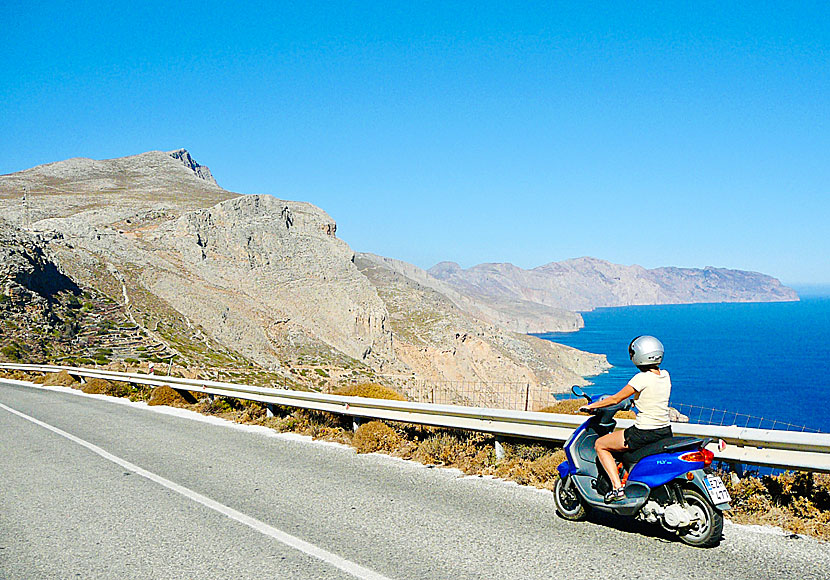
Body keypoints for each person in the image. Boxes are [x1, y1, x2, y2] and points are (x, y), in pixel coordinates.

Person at [578, 335, 672, 503]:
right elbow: (651, 396)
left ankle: (617, 488)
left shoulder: (641, 378)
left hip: (644, 432)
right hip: (664, 431)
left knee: (601, 444)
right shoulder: (665, 375)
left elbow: (615, 399)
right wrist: (635, 402)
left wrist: (591, 407)